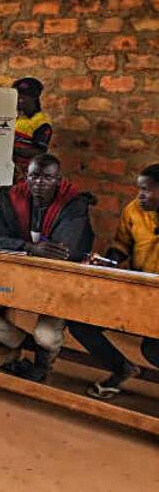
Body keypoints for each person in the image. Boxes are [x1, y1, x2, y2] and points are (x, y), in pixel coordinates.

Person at [0, 153, 94, 382]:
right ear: (25, 177)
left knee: (46, 336)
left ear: (58, 180)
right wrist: (27, 247)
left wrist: (18, 245)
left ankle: (42, 362)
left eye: (47, 178)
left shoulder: (73, 205)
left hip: (55, 284)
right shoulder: (11, 199)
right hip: (15, 278)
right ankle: (27, 346)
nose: (39, 183)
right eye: (34, 176)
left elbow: (65, 251)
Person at [68, 164, 159, 399]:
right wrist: (108, 262)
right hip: (137, 288)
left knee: (152, 350)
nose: (140, 195)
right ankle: (122, 368)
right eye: (139, 189)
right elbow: (121, 245)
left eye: (146, 189)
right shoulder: (134, 210)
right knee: (81, 324)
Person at [12, 77, 52, 182]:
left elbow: (38, 152)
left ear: (33, 98)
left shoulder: (41, 123)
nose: (17, 101)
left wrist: (9, 148)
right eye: (15, 97)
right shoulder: (15, 118)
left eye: (21, 98)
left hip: (24, 177)